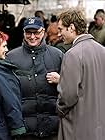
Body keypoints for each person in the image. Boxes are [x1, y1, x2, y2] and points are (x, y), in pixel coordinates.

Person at [6, 17, 64, 140]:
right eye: (28, 33)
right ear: (23, 33)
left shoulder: (57, 55)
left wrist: (61, 80)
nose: (32, 37)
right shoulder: (11, 58)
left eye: (36, 32)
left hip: (52, 128)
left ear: (43, 32)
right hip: (24, 130)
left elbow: (71, 89)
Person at [56, 9, 105, 140]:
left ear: (71, 27)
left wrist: (59, 109)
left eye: (61, 29)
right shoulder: (102, 50)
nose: (59, 34)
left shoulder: (72, 54)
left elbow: (68, 96)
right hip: (99, 125)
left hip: (77, 126)